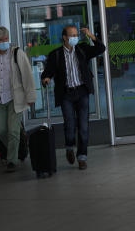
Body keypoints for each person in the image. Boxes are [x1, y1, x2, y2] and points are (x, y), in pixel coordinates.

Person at [40, 25, 105, 170]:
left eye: (76, 34)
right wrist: (46, 78)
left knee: (83, 126)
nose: (75, 37)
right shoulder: (56, 54)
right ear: (65, 37)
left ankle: (82, 157)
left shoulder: (82, 49)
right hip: (66, 94)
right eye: (72, 35)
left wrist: (91, 35)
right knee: (69, 125)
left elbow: (101, 49)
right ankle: (69, 147)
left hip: (82, 91)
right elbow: (47, 72)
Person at [0, 26, 36, 172]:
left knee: (13, 131)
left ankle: (11, 160)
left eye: (6, 39)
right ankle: (20, 146)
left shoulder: (17, 53)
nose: (4, 42)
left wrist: (31, 96)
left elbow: (27, 75)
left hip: (15, 98)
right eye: (1, 40)